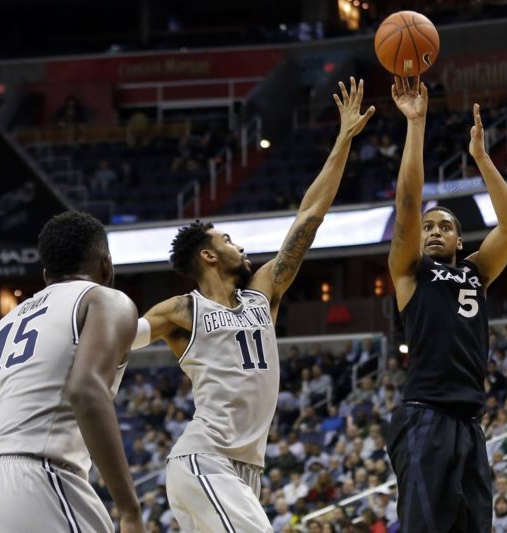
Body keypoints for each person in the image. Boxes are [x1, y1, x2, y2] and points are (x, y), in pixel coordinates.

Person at [131, 77, 374, 532]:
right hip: (205, 460)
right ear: (208, 255)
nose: (239, 246)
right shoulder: (182, 310)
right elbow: (122, 339)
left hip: (246, 470)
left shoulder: (261, 294)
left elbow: (309, 218)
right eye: (227, 240)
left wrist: (342, 140)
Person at [0, 211, 144, 533]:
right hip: (37, 478)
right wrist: (130, 510)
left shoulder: (0, 329)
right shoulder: (105, 299)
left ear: (46, 273)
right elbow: (84, 390)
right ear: (106, 265)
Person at [385, 75, 507, 532]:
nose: (433, 231)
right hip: (426, 415)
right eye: (428, 227)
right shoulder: (410, 271)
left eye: (444, 226)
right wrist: (417, 124)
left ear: (460, 240)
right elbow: (407, 202)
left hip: (468, 423)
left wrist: (482, 158)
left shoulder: (476, 272)